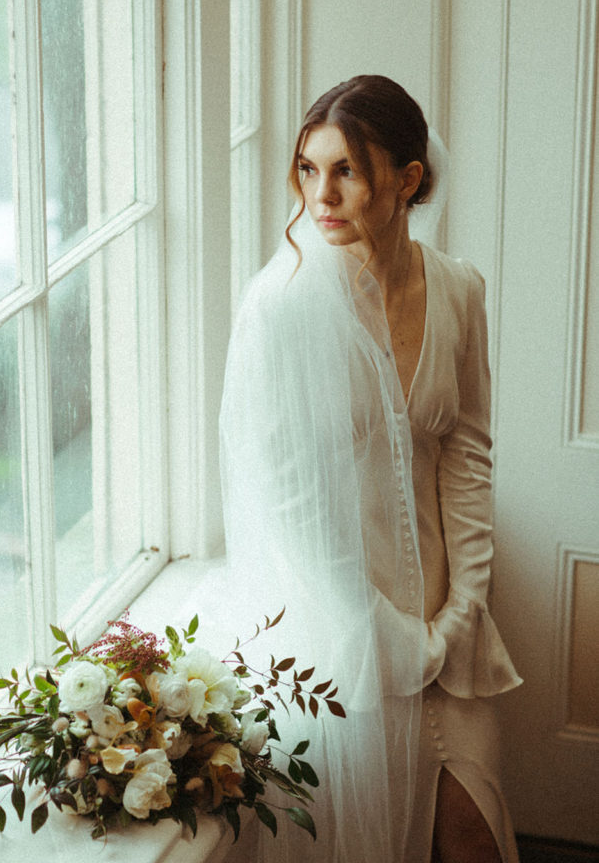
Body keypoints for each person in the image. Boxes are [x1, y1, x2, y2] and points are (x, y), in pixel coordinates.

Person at [220, 75, 522, 863]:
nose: (321, 194)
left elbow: (466, 454)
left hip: (448, 630)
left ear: (408, 179)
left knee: (472, 839)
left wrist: (461, 610)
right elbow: (288, 503)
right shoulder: (279, 309)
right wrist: (388, 637)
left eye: (346, 170)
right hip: (337, 640)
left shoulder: (457, 289)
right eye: (307, 168)